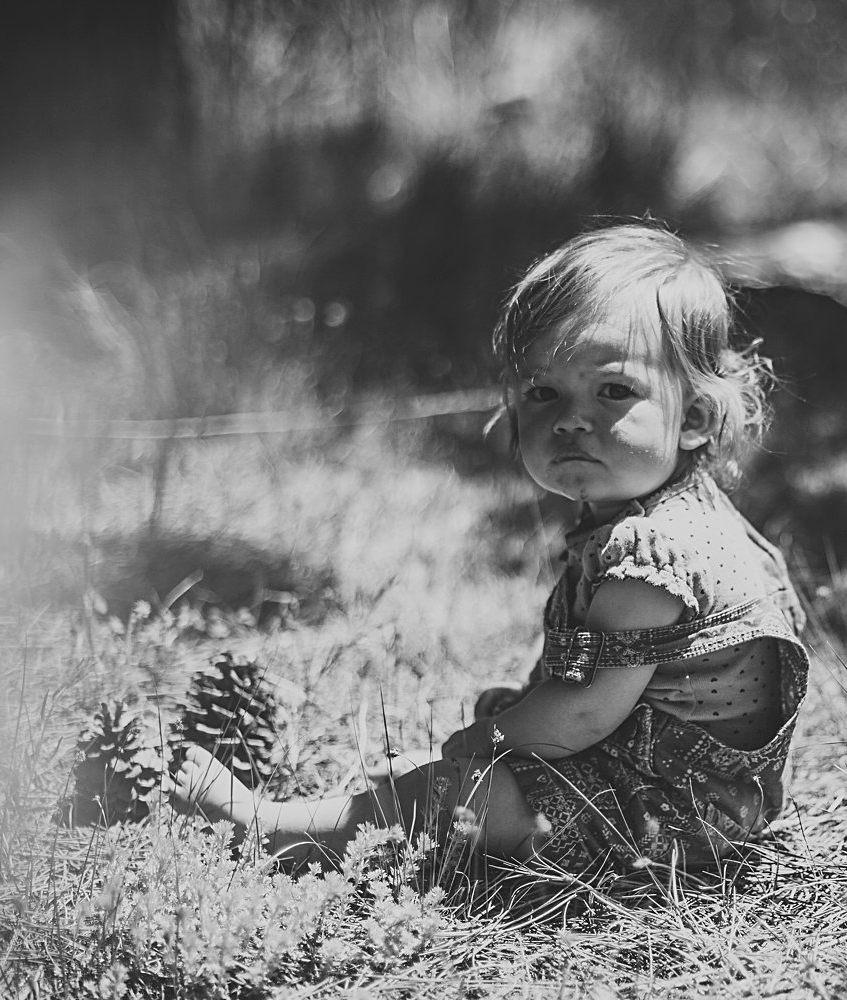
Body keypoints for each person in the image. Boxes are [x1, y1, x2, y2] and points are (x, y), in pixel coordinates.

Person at [171, 223, 809, 883]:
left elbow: (587, 711)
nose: (569, 418)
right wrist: (512, 722)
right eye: (543, 391)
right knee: (473, 751)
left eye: (614, 390)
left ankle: (267, 830)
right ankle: (378, 808)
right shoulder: (679, 517)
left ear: (696, 417)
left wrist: (483, 746)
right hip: (682, 795)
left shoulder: (654, 554)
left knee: (445, 794)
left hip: (663, 818)